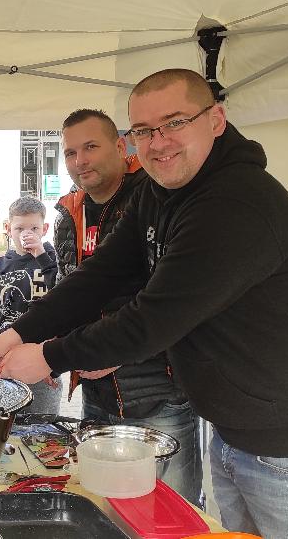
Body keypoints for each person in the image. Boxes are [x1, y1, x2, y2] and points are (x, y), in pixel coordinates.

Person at [0, 69, 288, 538]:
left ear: (216, 119)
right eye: (143, 130)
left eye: (176, 122)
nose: (158, 142)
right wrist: (17, 333)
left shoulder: (236, 201)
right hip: (236, 426)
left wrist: (47, 356)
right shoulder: (158, 194)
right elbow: (99, 277)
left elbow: (152, 319)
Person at [53, 108, 201, 505]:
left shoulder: (154, 197)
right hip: (96, 391)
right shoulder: (69, 213)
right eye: (69, 153)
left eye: (90, 147)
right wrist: (51, 343)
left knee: (171, 510)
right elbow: (72, 288)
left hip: (157, 391)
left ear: (120, 146)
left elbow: (168, 298)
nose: (79, 161)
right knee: (107, 506)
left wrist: (115, 348)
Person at [0, 196, 62, 413]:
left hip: (42, 367)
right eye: (19, 228)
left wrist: (41, 255)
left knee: (41, 433)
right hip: (2, 366)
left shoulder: (54, 259)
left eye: (34, 228)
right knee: (3, 426)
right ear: (8, 228)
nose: (27, 234)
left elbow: (63, 295)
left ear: (44, 228)